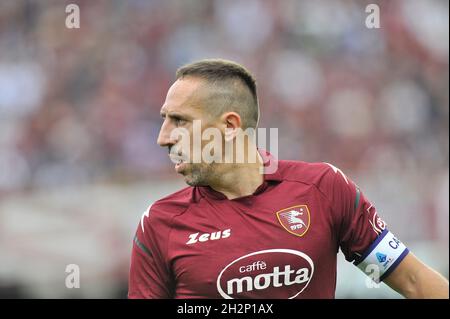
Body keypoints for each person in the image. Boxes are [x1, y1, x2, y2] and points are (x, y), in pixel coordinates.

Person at [128, 59, 448, 299]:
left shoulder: (323, 190)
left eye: (179, 121)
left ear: (229, 126)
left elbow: (413, 282)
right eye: (164, 120)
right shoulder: (160, 224)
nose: (163, 138)